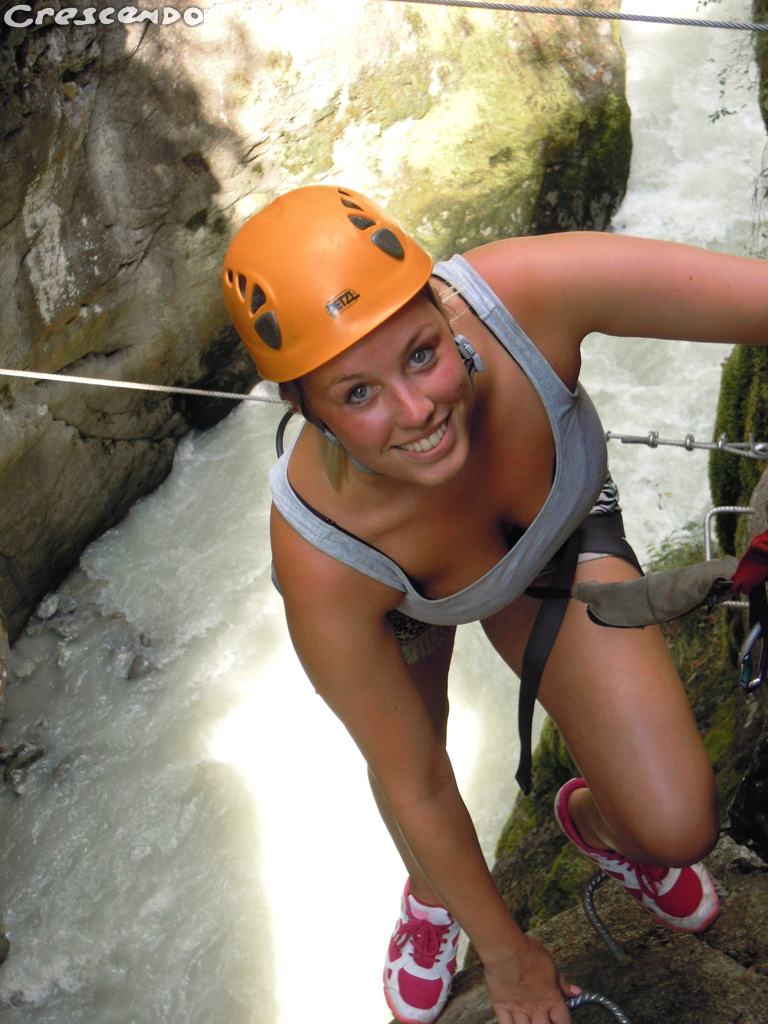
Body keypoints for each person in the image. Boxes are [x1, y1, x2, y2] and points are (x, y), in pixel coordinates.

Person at [221, 184, 768, 1024]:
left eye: (420, 354)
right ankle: (434, 897)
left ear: (445, 305)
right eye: (356, 395)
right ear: (305, 409)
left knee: (677, 826)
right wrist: (511, 959)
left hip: (556, 536)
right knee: (409, 749)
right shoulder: (324, 558)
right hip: (404, 598)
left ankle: (595, 822)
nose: (418, 412)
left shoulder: (523, 299)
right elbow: (421, 783)